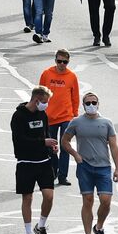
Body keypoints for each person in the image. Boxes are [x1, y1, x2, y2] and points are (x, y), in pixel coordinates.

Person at [61, 93, 118, 234]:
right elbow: (65, 141)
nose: (91, 105)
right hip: (85, 167)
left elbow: (114, 146)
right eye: (88, 103)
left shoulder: (106, 123)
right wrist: (75, 155)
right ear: (83, 105)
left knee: (106, 201)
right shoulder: (76, 122)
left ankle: (99, 227)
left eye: (94, 102)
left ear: (98, 104)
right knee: (87, 200)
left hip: (103, 167)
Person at [11, 87, 57, 234]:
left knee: (49, 195)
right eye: (45, 102)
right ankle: (29, 233)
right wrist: (41, 142)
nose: (46, 105)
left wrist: (50, 145)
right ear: (36, 99)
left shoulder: (42, 114)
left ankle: (41, 226)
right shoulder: (19, 116)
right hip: (25, 162)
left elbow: (45, 133)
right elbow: (19, 139)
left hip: (43, 161)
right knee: (27, 198)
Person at [38, 50, 80, 187]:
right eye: (59, 61)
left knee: (65, 146)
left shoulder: (71, 76)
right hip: (49, 116)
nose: (62, 64)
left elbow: (75, 96)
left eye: (65, 62)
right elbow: (40, 93)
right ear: (55, 60)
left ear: (68, 62)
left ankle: (63, 176)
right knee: (51, 147)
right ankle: (53, 170)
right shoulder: (47, 73)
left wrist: (75, 113)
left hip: (66, 116)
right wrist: (39, 109)